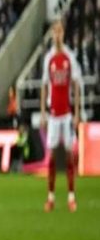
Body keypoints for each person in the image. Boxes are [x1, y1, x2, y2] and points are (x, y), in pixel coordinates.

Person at [40, 19, 82, 212]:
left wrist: (77, 113)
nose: (57, 35)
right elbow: (44, 86)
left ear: (63, 34)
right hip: (53, 115)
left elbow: (76, 84)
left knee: (69, 155)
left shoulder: (69, 57)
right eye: (54, 32)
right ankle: (51, 197)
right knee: (51, 158)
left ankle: (71, 197)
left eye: (60, 31)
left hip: (66, 115)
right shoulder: (48, 58)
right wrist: (43, 113)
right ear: (52, 35)